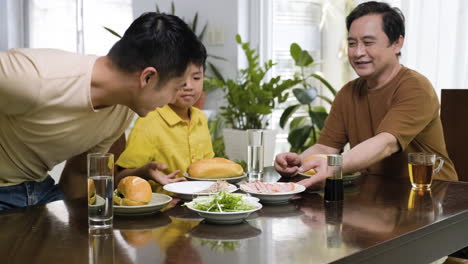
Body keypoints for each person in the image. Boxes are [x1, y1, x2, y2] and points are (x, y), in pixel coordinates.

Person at [0, 12, 207, 210]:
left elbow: (80, 174)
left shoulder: (124, 108)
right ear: (147, 78)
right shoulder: (34, 76)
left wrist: (82, 229)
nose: (173, 98)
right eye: (175, 87)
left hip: (42, 192)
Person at [274, 1, 458, 188]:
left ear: (397, 43)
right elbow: (326, 147)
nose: (358, 52)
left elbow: (386, 143)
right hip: (379, 196)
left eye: (368, 42)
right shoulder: (348, 92)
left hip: (433, 195)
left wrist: (333, 166)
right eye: (352, 43)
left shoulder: (416, 87)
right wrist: (297, 163)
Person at [115, 61, 214, 194]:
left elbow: (210, 168)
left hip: (200, 206)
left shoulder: (200, 118)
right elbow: (119, 179)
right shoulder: (149, 121)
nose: (188, 86)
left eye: (196, 78)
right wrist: (145, 172)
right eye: (180, 77)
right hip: (165, 210)